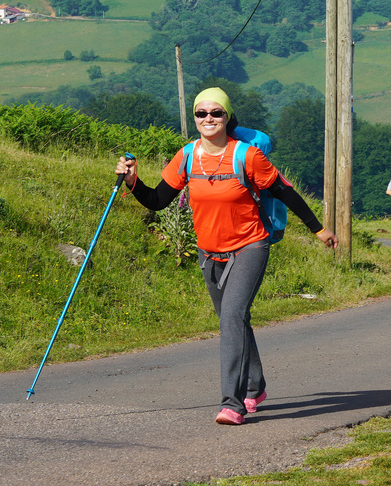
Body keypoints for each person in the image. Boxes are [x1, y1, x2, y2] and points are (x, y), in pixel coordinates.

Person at [116, 87, 335, 425]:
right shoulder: (187, 156)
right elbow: (158, 200)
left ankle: (231, 403)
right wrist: (132, 181)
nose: (208, 119)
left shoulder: (247, 156)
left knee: (232, 317)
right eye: (201, 114)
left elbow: (285, 193)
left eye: (216, 113)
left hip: (250, 246)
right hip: (209, 252)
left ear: (228, 117)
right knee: (234, 321)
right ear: (195, 118)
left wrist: (318, 229)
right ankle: (255, 385)